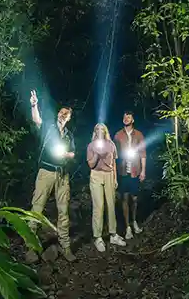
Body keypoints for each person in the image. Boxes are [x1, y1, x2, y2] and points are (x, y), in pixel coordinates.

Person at [26, 89, 76, 262]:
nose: (64, 115)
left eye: (67, 114)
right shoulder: (49, 125)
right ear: (58, 114)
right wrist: (34, 105)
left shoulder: (69, 136)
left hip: (63, 175)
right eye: (62, 112)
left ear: (69, 118)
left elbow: (73, 154)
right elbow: (36, 120)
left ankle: (65, 246)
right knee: (37, 208)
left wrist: (68, 156)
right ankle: (31, 248)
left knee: (63, 211)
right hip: (46, 171)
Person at [87, 123, 126, 252]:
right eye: (97, 129)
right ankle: (98, 237)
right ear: (95, 131)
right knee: (99, 206)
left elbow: (114, 163)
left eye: (102, 129)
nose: (99, 131)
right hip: (96, 175)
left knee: (111, 204)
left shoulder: (111, 145)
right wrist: (97, 154)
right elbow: (91, 165)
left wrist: (115, 178)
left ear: (105, 131)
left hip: (109, 175)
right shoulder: (91, 146)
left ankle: (113, 234)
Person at [114, 112, 146, 239]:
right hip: (122, 171)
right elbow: (113, 154)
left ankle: (134, 221)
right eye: (124, 117)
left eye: (128, 117)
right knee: (124, 198)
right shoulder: (118, 135)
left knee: (134, 198)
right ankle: (127, 227)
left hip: (135, 170)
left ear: (133, 119)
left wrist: (143, 171)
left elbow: (143, 153)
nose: (126, 119)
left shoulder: (138, 134)